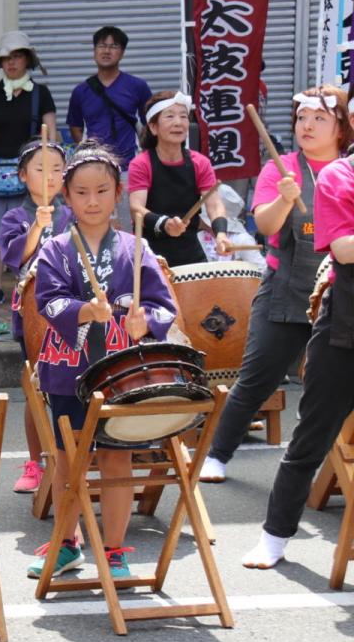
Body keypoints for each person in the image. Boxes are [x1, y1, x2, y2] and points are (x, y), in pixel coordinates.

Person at [27, 142, 179, 580]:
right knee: (68, 458)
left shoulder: (137, 248)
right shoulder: (55, 249)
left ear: (117, 193)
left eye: (101, 191)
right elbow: (47, 301)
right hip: (69, 367)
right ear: (66, 197)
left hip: (123, 369)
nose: (92, 201)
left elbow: (162, 305)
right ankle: (67, 544)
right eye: (81, 192)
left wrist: (144, 322)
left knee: (116, 458)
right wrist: (83, 311)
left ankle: (114, 550)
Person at [200, 86, 352, 484]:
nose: (307, 125)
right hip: (287, 291)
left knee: (326, 389)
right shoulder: (281, 167)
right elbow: (265, 227)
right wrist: (285, 199)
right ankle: (217, 453)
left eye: (320, 118)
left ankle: (324, 465)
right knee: (255, 380)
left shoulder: (348, 171)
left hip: (340, 298)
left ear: (341, 127)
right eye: (302, 117)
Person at [238, 115, 354, 570]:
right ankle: (275, 537)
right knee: (310, 438)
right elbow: (343, 248)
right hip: (345, 327)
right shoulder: (338, 176)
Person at [0, 137, 73, 494]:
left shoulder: (76, 212)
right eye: (41, 169)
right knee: (36, 387)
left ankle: (79, 455)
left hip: (77, 313)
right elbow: (15, 257)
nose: (50, 176)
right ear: (24, 176)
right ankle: (35, 460)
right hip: (35, 315)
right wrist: (38, 228)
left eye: (57, 169)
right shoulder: (15, 216)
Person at [0, 31, 57, 305]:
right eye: (6, 58)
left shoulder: (40, 94)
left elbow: (51, 134)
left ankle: (27, 283)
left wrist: (43, 167)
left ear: (27, 60)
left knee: (31, 229)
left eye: (17, 56)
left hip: (29, 173)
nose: (11, 63)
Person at [128, 91, 229, 267]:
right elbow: (136, 209)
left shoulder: (200, 163)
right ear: (153, 127)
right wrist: (165, 223)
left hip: (190, 253)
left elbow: (214, 204)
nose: (178, 122)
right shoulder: (141, 163)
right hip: (150, 256)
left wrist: (220, 233)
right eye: (170, 116)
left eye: (183, 116)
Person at [66, 26, 153, 230]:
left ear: (122, 52)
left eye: (113, 46)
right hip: (94, 168)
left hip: (128, 168)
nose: (107, 51)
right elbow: (75, 127)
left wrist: (144, 154)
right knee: (96, 222)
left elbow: (150, 123)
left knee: (128, 225)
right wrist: (88, 150)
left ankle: (130, 262)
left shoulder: (137, 86)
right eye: (102, 46)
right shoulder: (81, 91)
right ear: (94, 51)